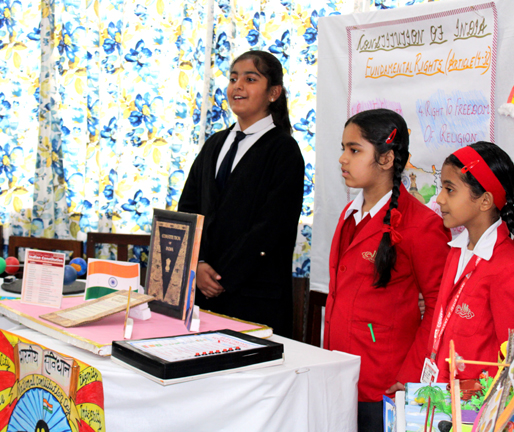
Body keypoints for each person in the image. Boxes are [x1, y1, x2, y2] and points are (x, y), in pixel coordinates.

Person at [323, 108, 451, 432]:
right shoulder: (349, 213)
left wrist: (410, 375)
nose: (342, 159)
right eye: (343, 148)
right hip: (339, 374)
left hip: (385, 384)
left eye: (354, 150)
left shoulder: (421, 224)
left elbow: (439, 308)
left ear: (386, 159)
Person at [178, 50, 304, 338]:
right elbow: (188, 208)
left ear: (274, 92)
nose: (238, 86)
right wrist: (198, 264)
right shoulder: (214, 143)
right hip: (201, 292)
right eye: (233, 78)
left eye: (250, 79)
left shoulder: (284, 150)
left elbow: (272, 227)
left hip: (254, 297)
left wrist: (222, 277)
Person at [427, 142, 514, 383]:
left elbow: (510, 359)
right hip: (443, 393)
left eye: (450, 189)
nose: (439, 199)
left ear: (485, 201)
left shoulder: (506, 266)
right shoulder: (457, 251)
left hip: (476, 402)